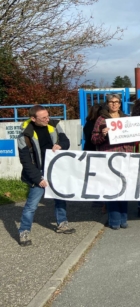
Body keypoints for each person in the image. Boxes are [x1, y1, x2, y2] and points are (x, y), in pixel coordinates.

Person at [17, 105, 74, 247]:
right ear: (33, 118)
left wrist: (61, 145)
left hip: (56, 171)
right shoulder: (24, 134)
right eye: (43, 118)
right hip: (39, 174)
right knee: (31, 205)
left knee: (60, 199)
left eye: (48, 116)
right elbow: (25, 161)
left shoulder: (54, 125)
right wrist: (38, 179)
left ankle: (62, 224)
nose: (47, 119)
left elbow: (66, 141)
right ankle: (24, 231)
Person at [91, 94, 135, 230]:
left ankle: (124, 218)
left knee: (124, 189)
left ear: (120, 104)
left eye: (117, 102)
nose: (114, 104)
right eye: (111, 102)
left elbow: (134, 139)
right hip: (110, 158)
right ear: (107, 104)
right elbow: (94, 139)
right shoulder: (101, 119)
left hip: (125, 156)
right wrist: (103, 135)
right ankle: (114, 219)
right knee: (112, 189)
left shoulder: (126, 119)